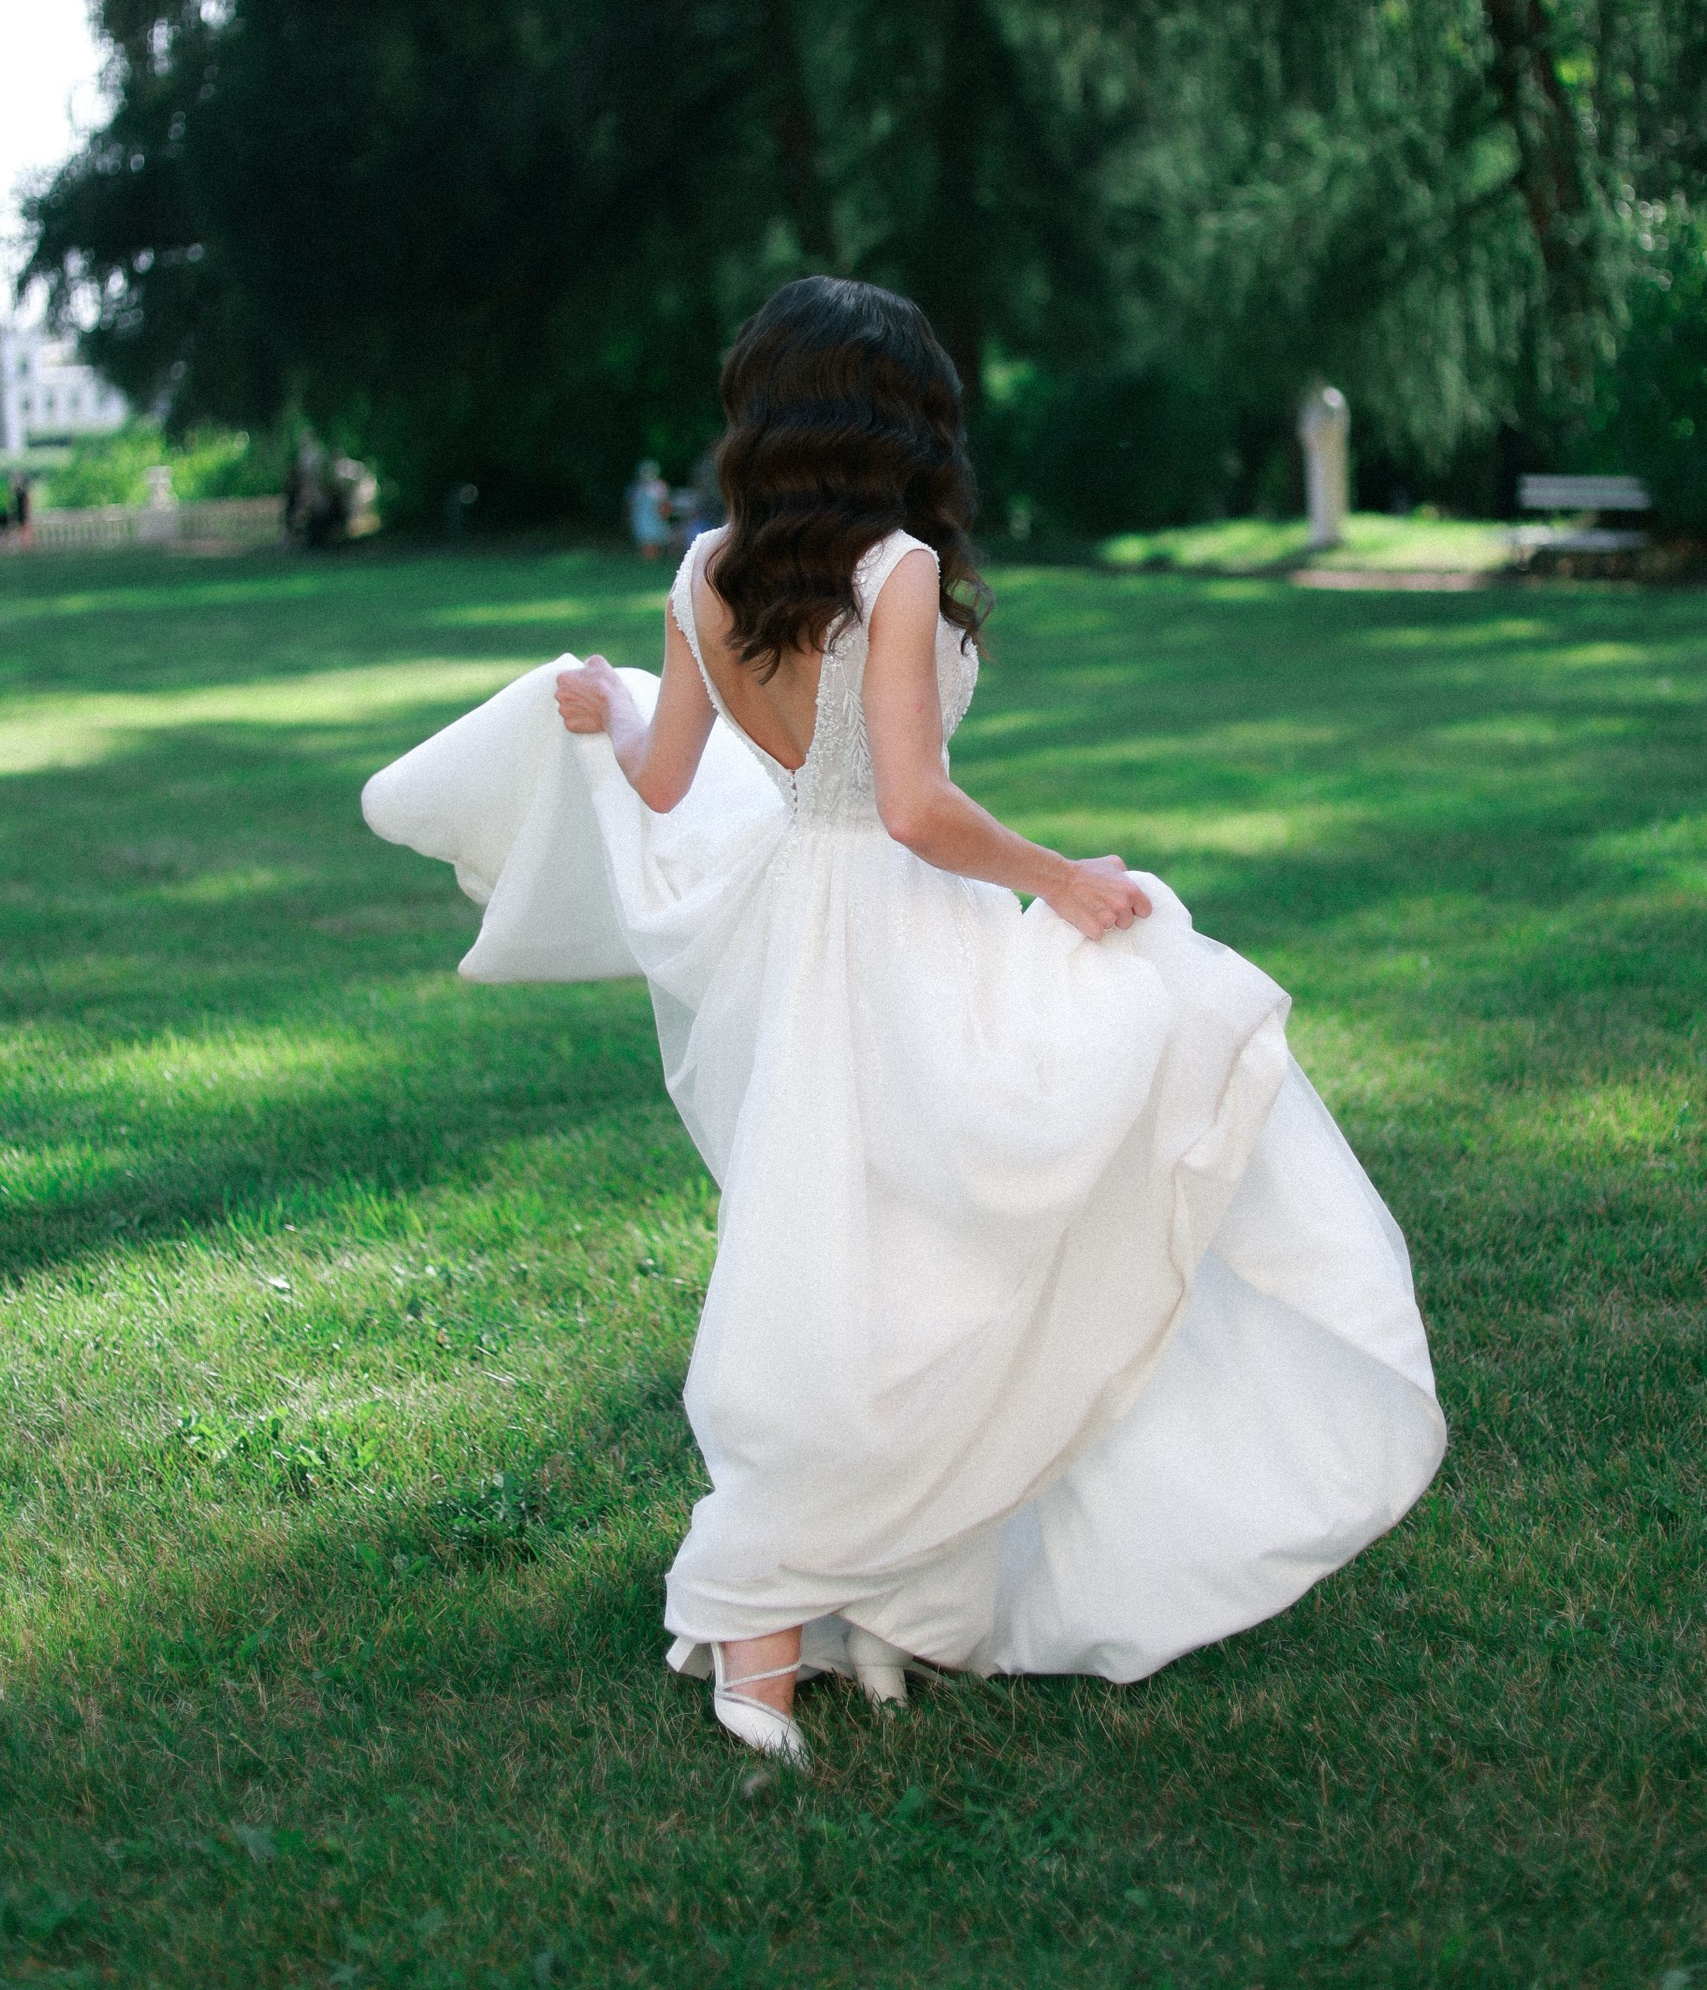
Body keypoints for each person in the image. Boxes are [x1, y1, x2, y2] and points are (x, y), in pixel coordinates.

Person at [363, 278, 1444, 1768]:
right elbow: (917, 810)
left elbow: (667, 783)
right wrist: (1062, 877)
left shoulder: (702, 573)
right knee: (990, 1192)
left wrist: (614, 720)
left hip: (785, 940)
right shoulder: (896, 568)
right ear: (892, 424)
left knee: (832, 1254)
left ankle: (860, 1604)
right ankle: (782, 1604)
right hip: (895, 933)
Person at [624, 457, 672, 559]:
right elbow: (631, 506)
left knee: (653, 541)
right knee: (645, 541)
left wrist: (663, 517)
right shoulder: (637, 488)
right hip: (641, 518)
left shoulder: (659, 487)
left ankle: (652, 559)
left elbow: (664, 505)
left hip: (654, 518)